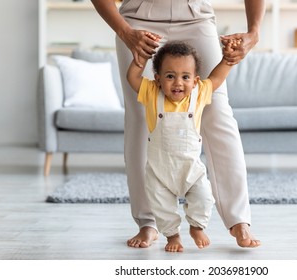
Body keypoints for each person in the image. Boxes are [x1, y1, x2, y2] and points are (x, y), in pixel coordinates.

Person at [91, 0, 265, 248]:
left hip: (197, 18)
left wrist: (254, 32)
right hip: (139, 21)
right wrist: (126, 32)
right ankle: (148, 221)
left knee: (218, 111)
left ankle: (239, 219)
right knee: (142, 116)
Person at [127, 38, 240, 252]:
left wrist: (227, 59)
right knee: (162, 207)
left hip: (191, 170)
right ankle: (172, 236)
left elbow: (216, 78)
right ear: (158, 79)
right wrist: (139, 59)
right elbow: (132, 77)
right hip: (159, 171)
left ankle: (197, 227)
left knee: (204, 197)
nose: (178, 83)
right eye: (170, 76)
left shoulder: (198, 95)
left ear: (195, 80)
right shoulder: (152, 93)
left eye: (185, 77)